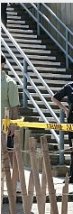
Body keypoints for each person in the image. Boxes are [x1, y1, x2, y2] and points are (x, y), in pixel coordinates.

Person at [1, 54, 20, 193]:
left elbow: (14, 106)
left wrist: (13, 124)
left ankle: (16, 182)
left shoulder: (9, 82)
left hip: (5, 123)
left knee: (10, 153)